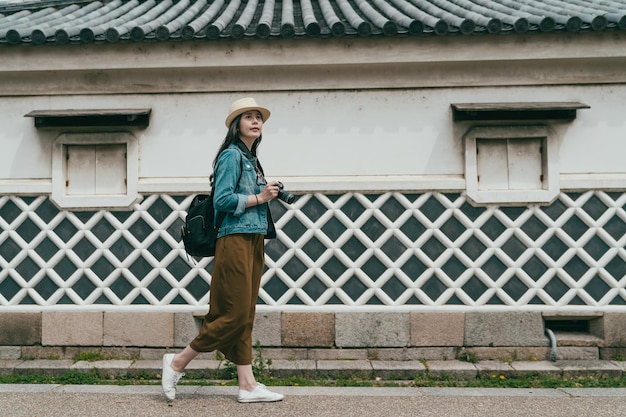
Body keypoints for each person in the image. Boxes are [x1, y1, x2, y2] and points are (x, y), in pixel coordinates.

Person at [161, 97, 284, 403]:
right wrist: (260, 197)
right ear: (236, 124)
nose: (256, 121)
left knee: (246, 313)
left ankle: (247, 385)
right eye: (248, 117)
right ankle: (177, 362)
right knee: (234, 313)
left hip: (253, 238)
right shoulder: (231, 156)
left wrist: (267, 193)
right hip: (234, 239)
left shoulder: (251, 158)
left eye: (259, 117)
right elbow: (222, 201)